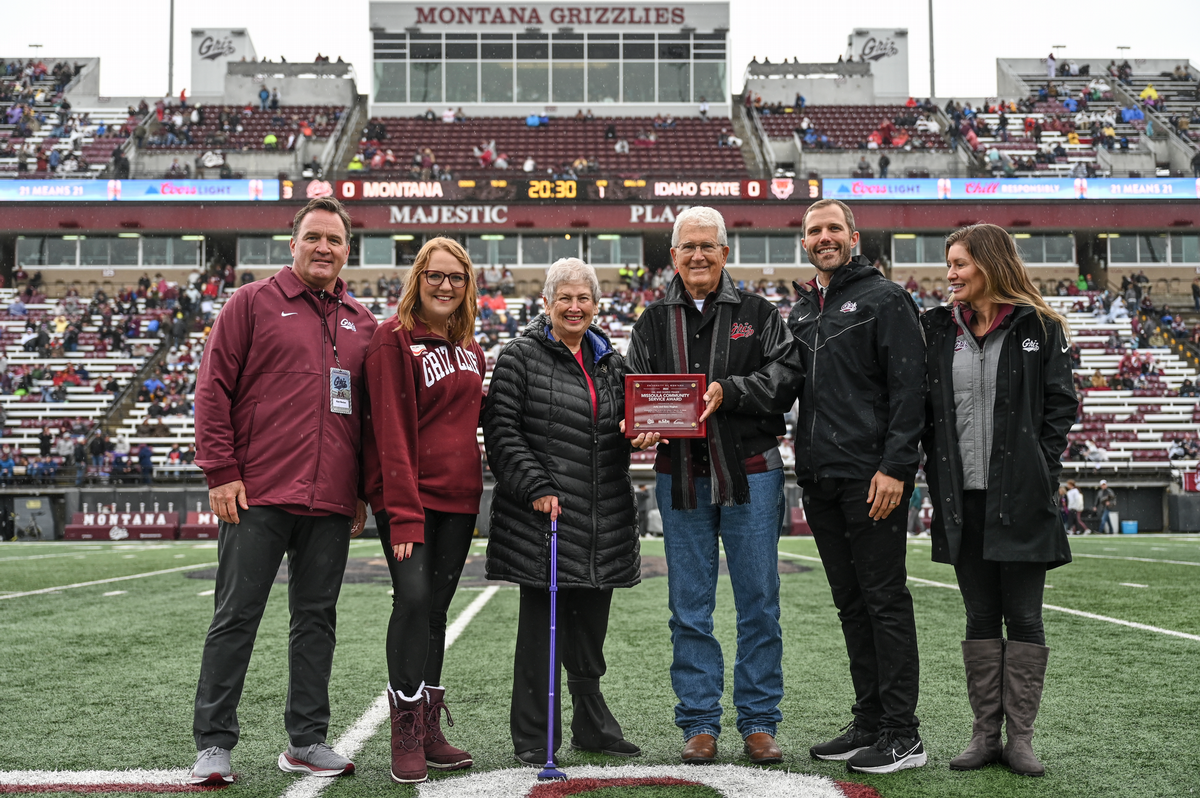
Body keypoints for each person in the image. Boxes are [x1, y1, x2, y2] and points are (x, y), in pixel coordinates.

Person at [190, 197, 377, 785]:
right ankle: (214, 743)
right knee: (235, 616)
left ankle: (307, 739)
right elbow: (212, 389)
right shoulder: (250, 303)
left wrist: (361, 493)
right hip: (258, 493)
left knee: (316, 619)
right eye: (314, 237)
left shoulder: (361, 321)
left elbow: (366, 418)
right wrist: (221, 471)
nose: (325, 248)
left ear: (349, 250)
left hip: (330, 501)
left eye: (335, 240)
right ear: (291, 243)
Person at [626, 207, 803, 766]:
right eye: (687, 247)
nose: (698, 256)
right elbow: (636, 393)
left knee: (759, 603)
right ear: (672, 255)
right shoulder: (650, 322)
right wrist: (640, 426)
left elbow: (786, 379)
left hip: (751, 473)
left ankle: (758, 721)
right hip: (680, 480)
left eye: (708, 246)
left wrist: (730, 390)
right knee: (689, 608)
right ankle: (699, 722)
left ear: (725, 253)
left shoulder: (760, 313)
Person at [485, 257, 656, 766]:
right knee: (541, 634)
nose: (575, 307)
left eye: (584, 298)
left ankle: (592, 724)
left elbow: (625, 423)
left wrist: (640, 429)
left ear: (598, 306)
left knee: (589, 634)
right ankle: (536, 737)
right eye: (565, 298)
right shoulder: (519, 356)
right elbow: (501, 430)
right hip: (546, 520)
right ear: (546, 304)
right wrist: (535, 484)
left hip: (603, 519)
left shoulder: (610, 360)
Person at [921, 223, 1075, 777]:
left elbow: (1061, 406)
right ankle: (985, 734)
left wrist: (1040, 468)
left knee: (1025, 617)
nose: (951, 274)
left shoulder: (1042, 326)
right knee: (980, 615)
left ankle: (1022, 740)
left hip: (1023, 498)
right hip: (963, 499)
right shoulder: (935, 327)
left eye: (960, 264)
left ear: (990, 264)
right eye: (950, 264)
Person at [788, 198, 927, 774]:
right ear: (804, 242)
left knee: (884, 601)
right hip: (820, 479)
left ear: (853, 235)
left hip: (872, 478)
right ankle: (869, 720)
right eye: (814, 230)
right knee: (851, 604)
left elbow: (910, 389)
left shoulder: (886, 299)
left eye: (833, 229)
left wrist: (896, 467)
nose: (824, 237)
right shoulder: (800, 311)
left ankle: (903, 733)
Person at [362, 238, 486, 784]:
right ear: (418, 279)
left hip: (460, 501)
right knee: (411, 601)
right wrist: (402, 513)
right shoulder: (392, 340)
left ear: (468, 286)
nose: (445, 286)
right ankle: (405, 729)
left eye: (456, 277)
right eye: (435, 276)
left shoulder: (471, 347)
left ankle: (431, 729)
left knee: (435, 609)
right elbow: (389, 433)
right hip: (410, 501)